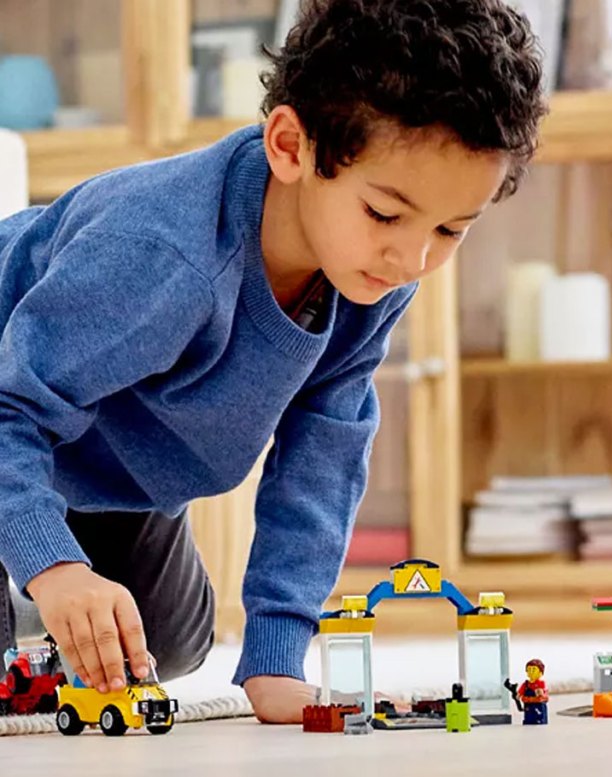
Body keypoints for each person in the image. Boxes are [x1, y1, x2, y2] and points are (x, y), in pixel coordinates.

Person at [0, 0, 545, 723]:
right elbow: (9, 408)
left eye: (450, 228)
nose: (413, 258)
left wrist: (277, 654)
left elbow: (324, 451)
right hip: (14, 407)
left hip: (111, 461)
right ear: (290, 147)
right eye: (385, 214)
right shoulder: (164, 253)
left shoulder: (372, 276)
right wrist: (56, 568)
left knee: (165, 645)